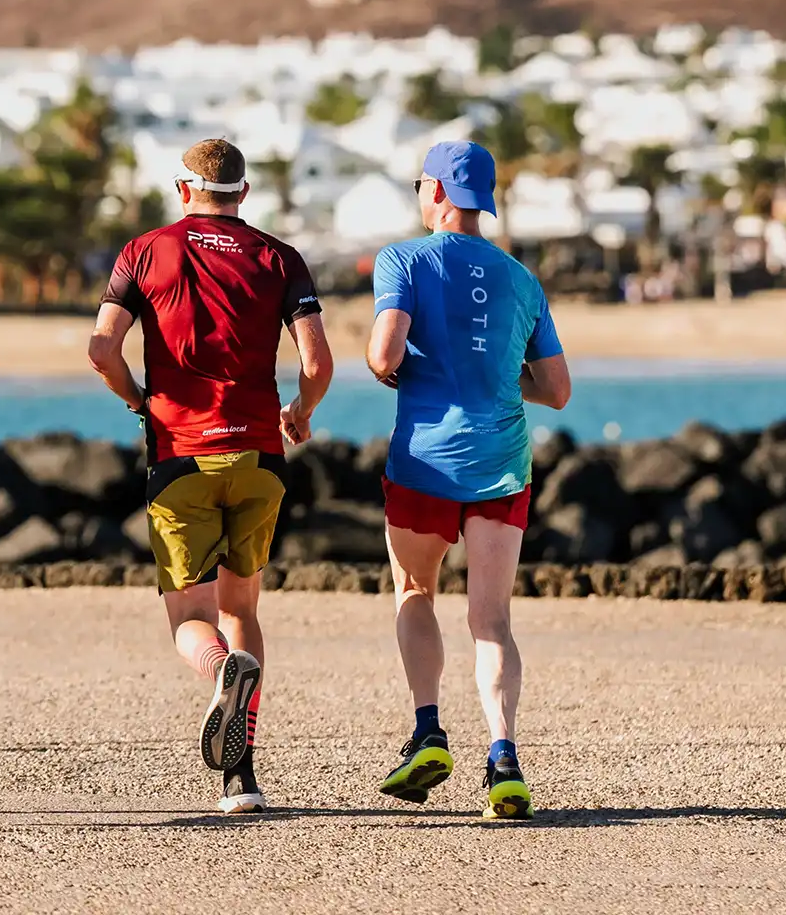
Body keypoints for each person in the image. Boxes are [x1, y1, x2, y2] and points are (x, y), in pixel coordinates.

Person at [86, 137, 332, 815]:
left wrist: (137, 400)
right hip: (258, 456)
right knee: (241, 610)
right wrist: (301, 412)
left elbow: (102, 348)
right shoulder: (280, 258)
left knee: (191, 621)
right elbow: (316, 364)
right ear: (243, 193)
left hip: (180, 456)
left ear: (182, 189)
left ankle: (221, 670)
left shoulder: (145, 251)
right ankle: (240, 778)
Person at [365, 141, 570, 821]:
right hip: (502, 464)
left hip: (425, 462)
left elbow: (384, 354)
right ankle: (504, 758)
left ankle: (428, 730)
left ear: (437, 192)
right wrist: (497, 377)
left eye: (421, 186)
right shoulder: (521, 279)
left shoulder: (404, 259)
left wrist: (402, 367)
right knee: (492, 619)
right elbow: (557, 390)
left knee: (414, 591)